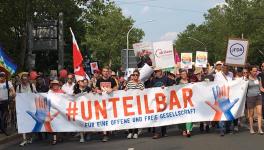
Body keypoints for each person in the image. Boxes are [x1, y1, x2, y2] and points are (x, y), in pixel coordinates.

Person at [95, 66, 117, 142]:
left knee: (109, 116)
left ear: (108, 72)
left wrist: (112, 89)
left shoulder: (112, 79)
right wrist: (97, 90)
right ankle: (104, 134)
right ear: (102, 72)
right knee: (103, 117)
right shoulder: (99, 80)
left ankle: (109, 131)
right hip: (101, 102)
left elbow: (116, 87)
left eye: (107, 71)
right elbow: (96, 88)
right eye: (104, 71)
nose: (105, 72)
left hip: (110, 102)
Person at [151, 69, 174, 139]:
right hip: (156, 101)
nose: (156, 73)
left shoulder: (166, 78)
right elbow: (149, 88)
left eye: (157, 71)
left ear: (161, 71)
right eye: (155, 72)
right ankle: (157, 133)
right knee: (156, 116)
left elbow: (172, 85)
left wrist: (166, 87)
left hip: (164, 100)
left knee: (163, 116)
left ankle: (164, 132)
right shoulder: (153, 80)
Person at [16, 72, 36, 146]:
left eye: (26, 79)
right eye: (23, 79)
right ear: (21, 80)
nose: (24, 80)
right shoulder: (19, 87)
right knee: (22, 123)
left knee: (30, 123)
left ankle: (30, 138)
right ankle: (24, 139)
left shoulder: (32, 86)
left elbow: (36, 94)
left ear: (28, 79)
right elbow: (17, 96)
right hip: (22, 108)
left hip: (31, 108)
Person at [125, 70, 144, 139]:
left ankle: (135, 132)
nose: (135, 76)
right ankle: (130, 132)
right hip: (130, 104)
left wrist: (138, 84)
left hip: (138, 104)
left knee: (136, 118)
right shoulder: (129, 83)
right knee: (130, 118)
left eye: (137, 75)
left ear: (139, 76)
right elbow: (125, 90)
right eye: (134, 75)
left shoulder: (141, 83)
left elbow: (143, 91)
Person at [247, 66, 263, 134]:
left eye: (256, 71)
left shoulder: (259, 78)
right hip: (250, 97)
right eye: (253, 71)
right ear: (250, 71)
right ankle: (251, 128)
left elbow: (261, 88)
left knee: (259, 113)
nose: (255, 72)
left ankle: (259, 129)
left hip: (258, 96)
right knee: (251, 114)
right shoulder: (247, 79)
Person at [176, 70, 193, 137]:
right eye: (182, 74)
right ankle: (183, 130)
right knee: (182, 115)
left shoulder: (190, 82)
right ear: (180, 75)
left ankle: (188, 130)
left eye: (184, 74)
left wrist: (193, 85)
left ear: (186, 74)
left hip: (189, 101)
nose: (183, 75)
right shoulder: (177, 83)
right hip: (180, 102)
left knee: (189, 115)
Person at [48, 80, 64, 145]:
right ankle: (54, 139)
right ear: (52, 85)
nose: (55, 86)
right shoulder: (50, 92)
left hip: (60, 111)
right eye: (54, 84)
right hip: (52, 111)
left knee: (59, 125)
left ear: (58, 85)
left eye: (56, 84)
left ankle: (59, 137)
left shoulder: (61, 92)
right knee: (53, 124)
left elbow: (66, 98)